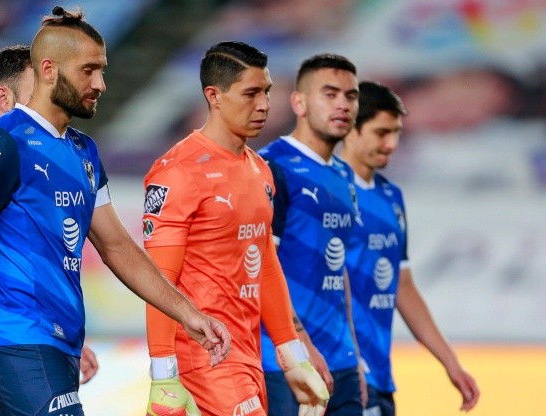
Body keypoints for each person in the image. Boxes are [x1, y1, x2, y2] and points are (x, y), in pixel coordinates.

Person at [0, 7, 231, 416]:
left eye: (102, 70)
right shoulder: (0, 144)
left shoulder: (84, 152)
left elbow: (119, 248)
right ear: (50, 70)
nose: (101, 84)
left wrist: (188, 314)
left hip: (62, 345)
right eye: (89, 70)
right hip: (16, 342)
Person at [143, 41, 328, 416]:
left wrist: (293, 356)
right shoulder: (178, 171)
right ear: (214, 95)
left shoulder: (259, 170)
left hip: (247, 357)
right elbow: (159, 277)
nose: (264, 105)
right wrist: (163, 376)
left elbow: (265, 264)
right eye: (251, 93)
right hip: (204, 358)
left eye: (267, 92)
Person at [340, 81, 480, 415]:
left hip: (380, 374)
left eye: (397, 133)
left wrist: (451, 362)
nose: (391, 144)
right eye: (381, 132)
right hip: (342, 370)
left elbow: (402, 285)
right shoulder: (327, 192)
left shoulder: (391, 197)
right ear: (350, 130)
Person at [257, 53, 363, 416]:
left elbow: (339, 269)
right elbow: (259, 266)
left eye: (350, 96)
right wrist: (301, 344)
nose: (342, 104)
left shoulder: (346, 177)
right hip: (284, 361)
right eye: (329, 94)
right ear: (298, 102)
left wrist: (354, 354)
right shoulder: (271, 167)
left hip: (340, 358)